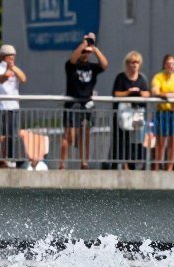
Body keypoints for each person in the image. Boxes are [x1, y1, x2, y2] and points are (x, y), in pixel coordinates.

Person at [61, 33, 108, 169]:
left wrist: (94, 47)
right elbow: (72, 59)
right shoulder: (71, 66)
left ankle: (84, 162)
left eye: (88, 52)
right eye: (84, 52)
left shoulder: (92, 67)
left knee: (85, 134)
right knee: (69, 136)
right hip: (73, 103)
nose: (86, 54)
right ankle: (62, 163)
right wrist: (83, 44)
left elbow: (105, 64)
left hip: (87, 103)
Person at [0, 44, 25, 168]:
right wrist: (4, 75)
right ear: (4, 56)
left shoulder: (15, 69)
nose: (12, 58)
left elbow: (23, 79)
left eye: (14, 56)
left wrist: (13, 69)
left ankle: (6, 159)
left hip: (12, 106)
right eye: (10, 56)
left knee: (11, 135)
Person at [111, 51, 148, 169]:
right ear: (127, 64)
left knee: (136, 139)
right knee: (122, 139)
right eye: (132, 62)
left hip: (137, 114)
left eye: (136, 62)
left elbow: (147, 93)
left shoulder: (142, 78)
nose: (134, 65)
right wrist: (129, 92)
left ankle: (134, 163)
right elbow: (116, 93)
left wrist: (139, 92)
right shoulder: (121, 77)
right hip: (123, 114)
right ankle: (121, 163)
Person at [150, 54, 174, 171]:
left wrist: (170, 95)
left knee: (173, 143)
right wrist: (171, 94)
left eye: (173, 64)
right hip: (161, 113)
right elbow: (155, 92)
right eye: (168, 63)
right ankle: (157, 166)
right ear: (164, 65)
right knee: (160, 143)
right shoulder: (158, 77)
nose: (171, 66)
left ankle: (169, 168)